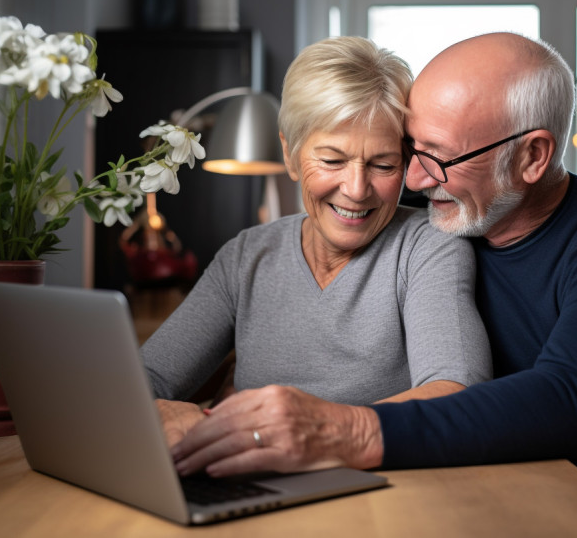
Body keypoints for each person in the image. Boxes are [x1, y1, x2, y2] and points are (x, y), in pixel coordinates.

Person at [168, 33, 577, 537]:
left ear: (533, 156)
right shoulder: (440, 196)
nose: (412, 178)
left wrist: (341, 429)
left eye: (437, 157)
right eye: (411, 150)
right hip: (506, 496)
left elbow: (567, 400)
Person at [142, 36, 491, 448]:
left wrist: (314, 430)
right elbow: (147, 377)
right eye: (332, 160)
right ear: (290, 155)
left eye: (383, 164)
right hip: (254, 484)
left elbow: (458, 394)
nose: (357, 189)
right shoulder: (246, 256)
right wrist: (164, 410)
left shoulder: (429, 247)